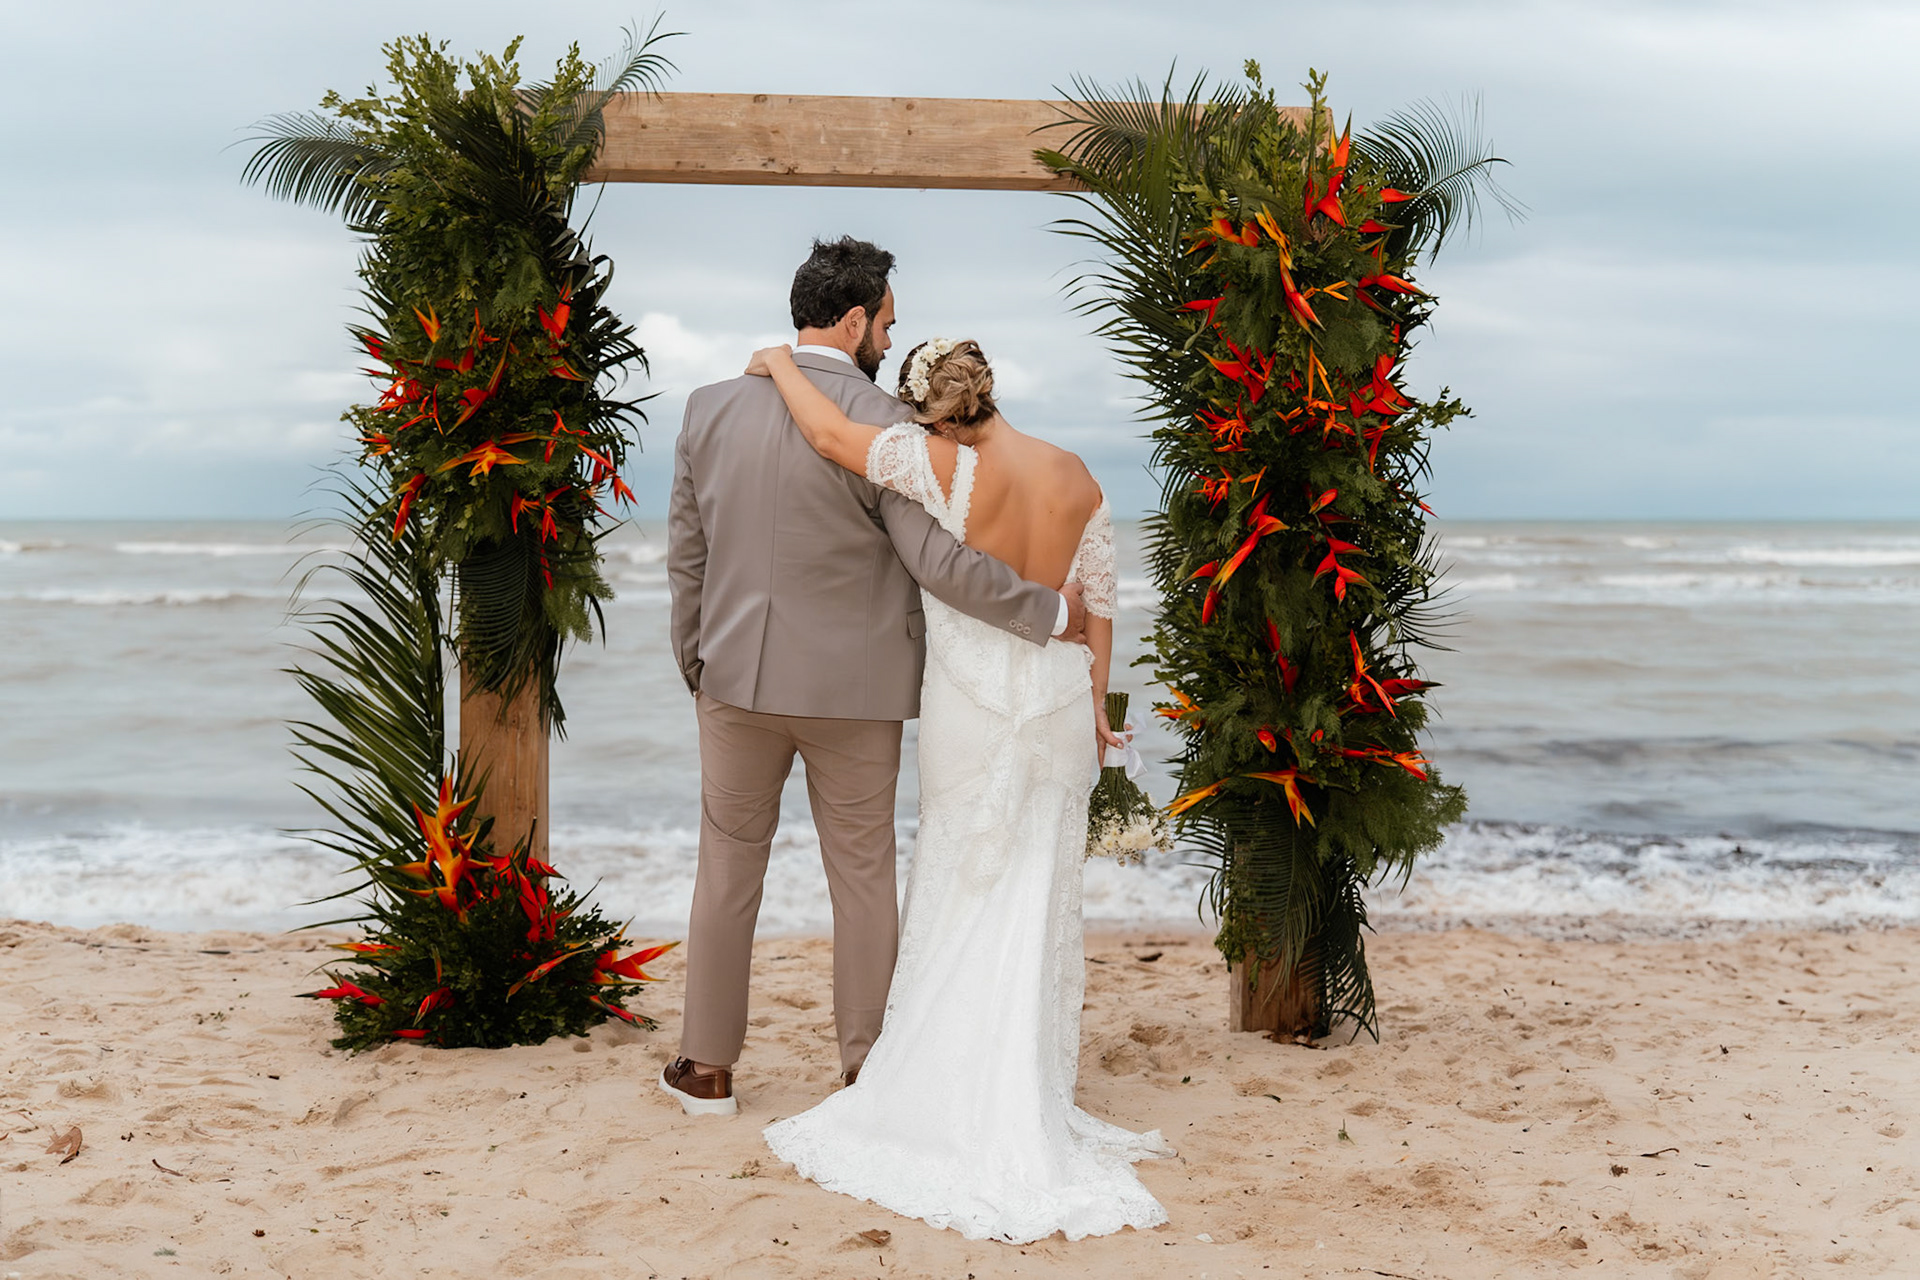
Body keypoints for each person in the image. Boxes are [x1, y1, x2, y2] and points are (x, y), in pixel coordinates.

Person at [748, 335, 1173, 1242]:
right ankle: (1025, 1090)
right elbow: (1098, 611)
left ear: (929, 409)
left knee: (960, 880)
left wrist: (777, 362)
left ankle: (956, 1083)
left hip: (973, 709)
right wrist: (1099, 712)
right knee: (1036, 894)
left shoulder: (930, 462)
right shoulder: (1077, 475)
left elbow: (827, 435)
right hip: (1057, 707)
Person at [662, 238, 1086, 1118]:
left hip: (735, 681)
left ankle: (706, 1070)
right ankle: (864, 1070)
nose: (891, 343)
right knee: (862, 876)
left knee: (726, 869)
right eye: (886, 325)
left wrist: (698, 661)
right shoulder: (890, 429)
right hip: (855, 698)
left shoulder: (706, 409)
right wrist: (1049, 613)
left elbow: (687, 559)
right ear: (853, 320)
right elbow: (937, 562)